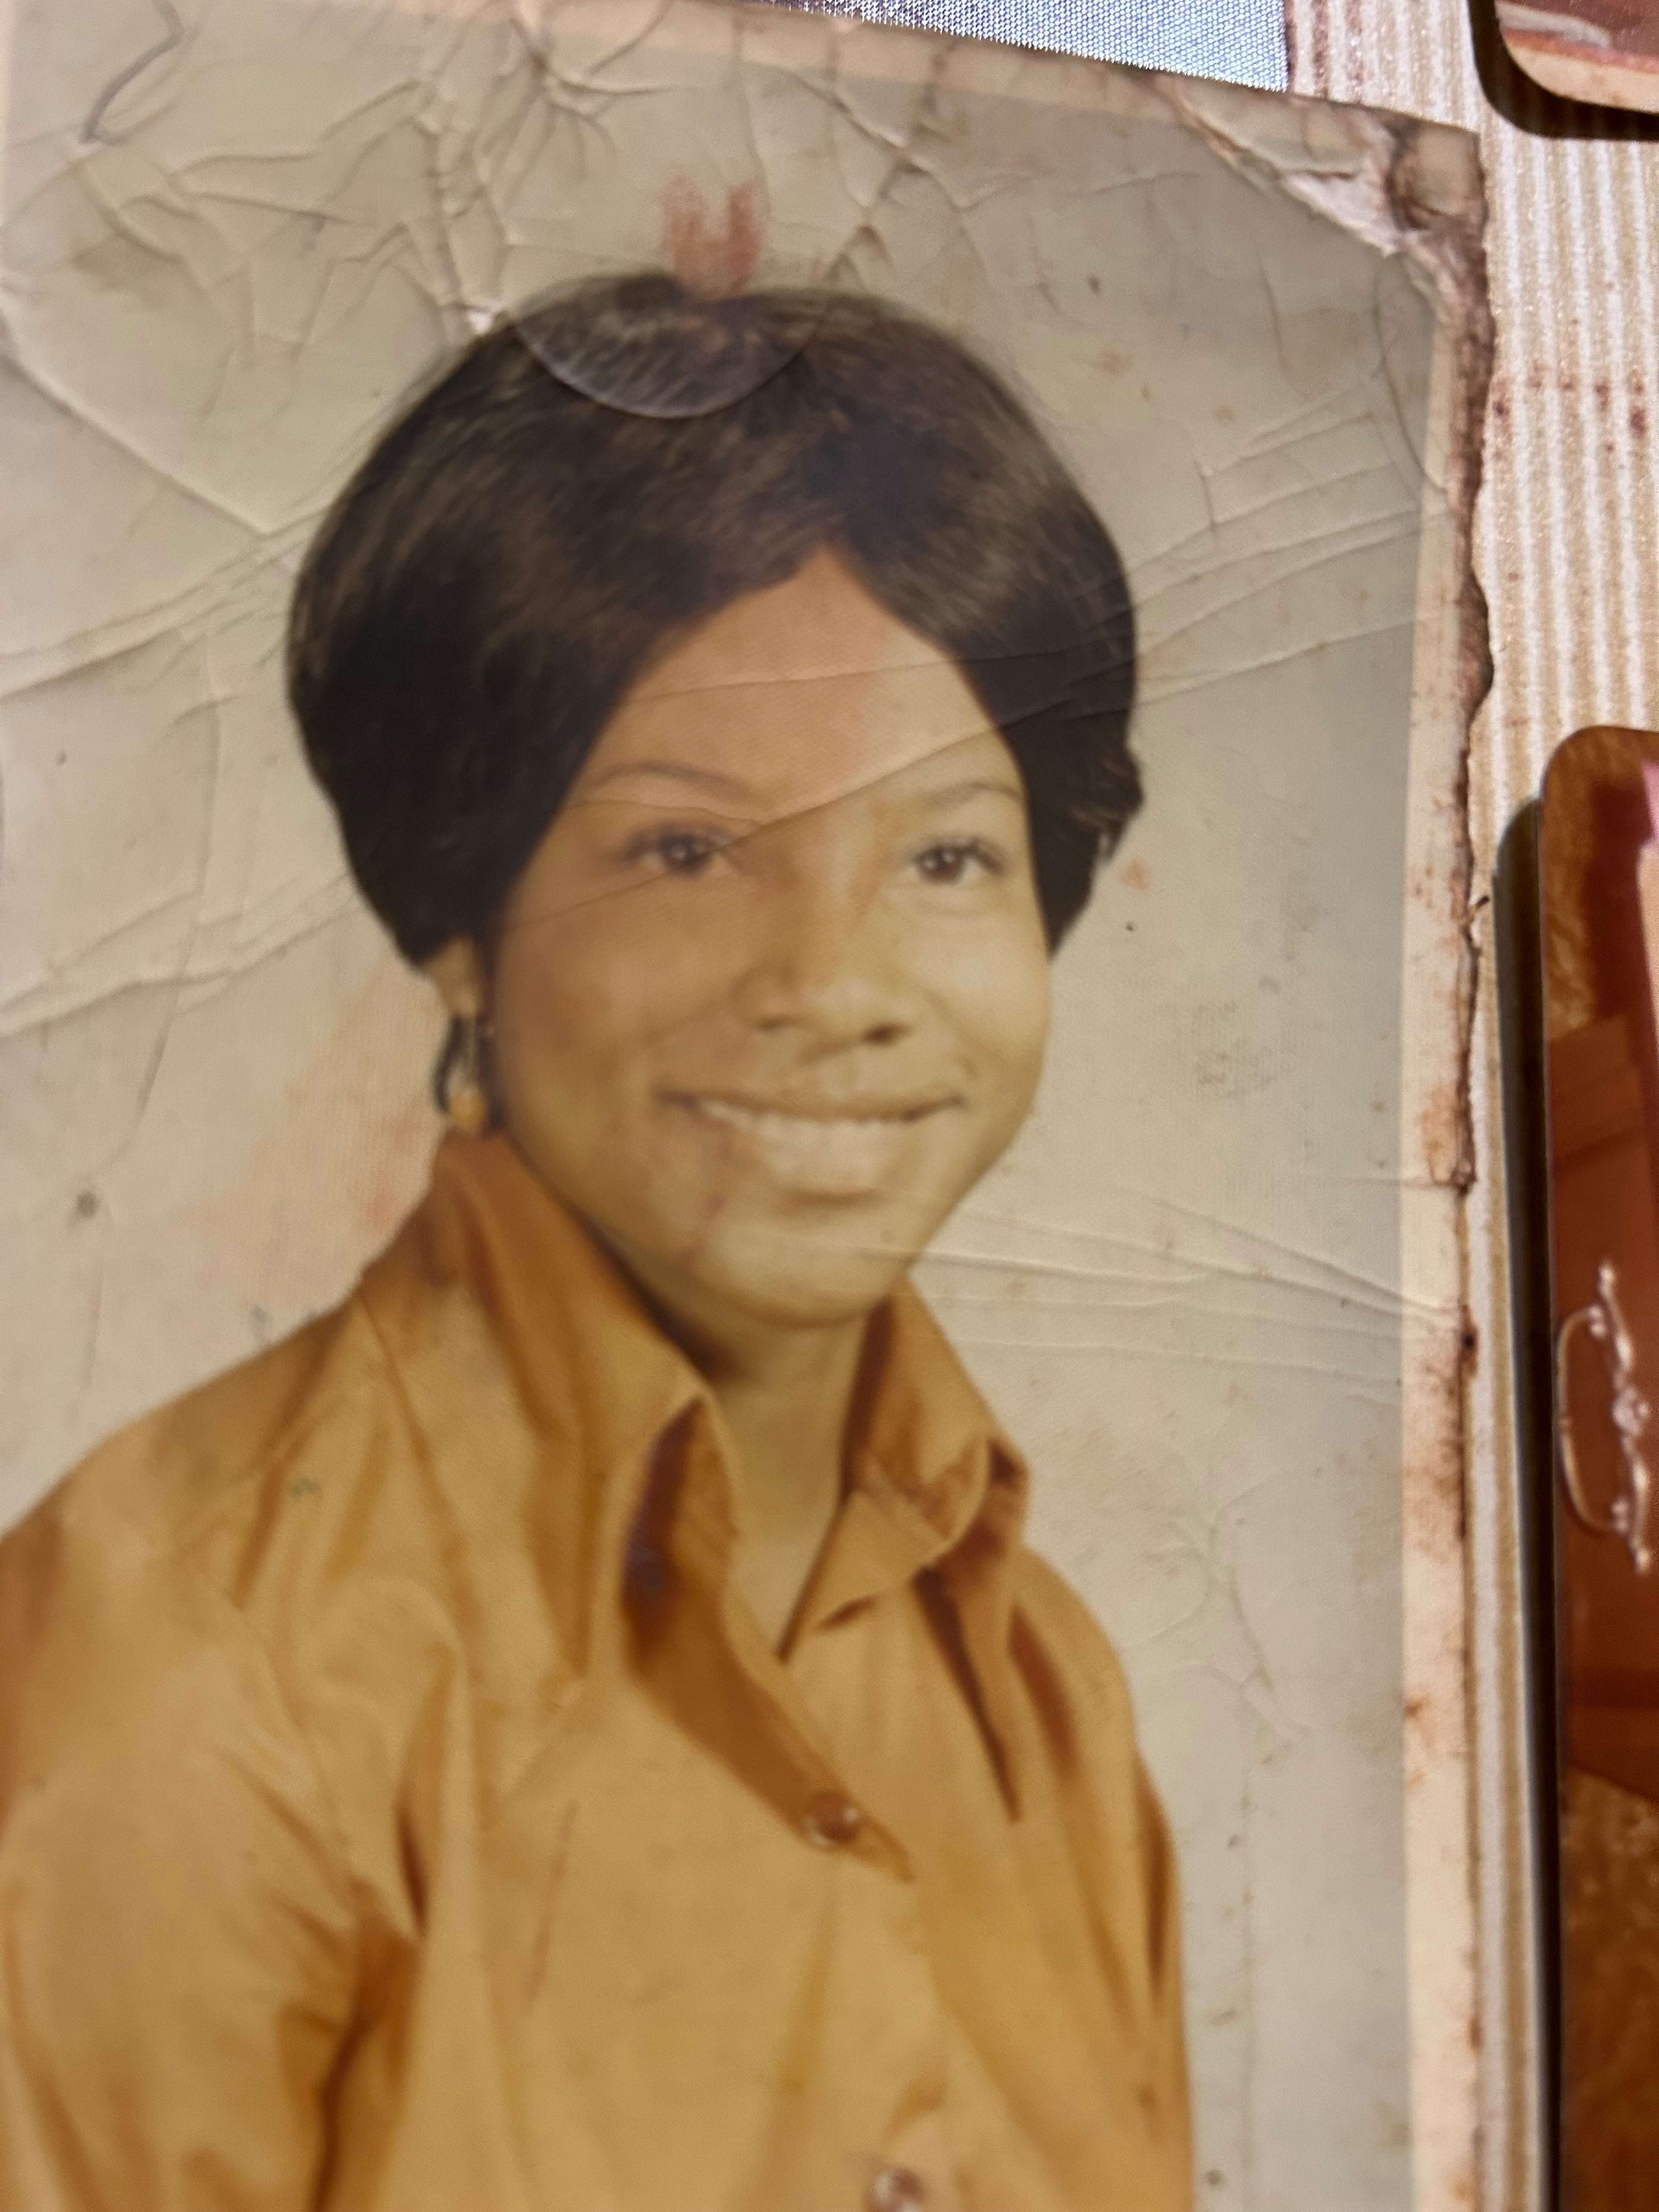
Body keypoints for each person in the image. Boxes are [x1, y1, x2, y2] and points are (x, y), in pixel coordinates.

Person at [0, 274, 1190, 2212]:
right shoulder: (174, 1658)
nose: (836, 984)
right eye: (687, 848)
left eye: (947, 854)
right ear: (461, 912)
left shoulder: (1042, 1684)